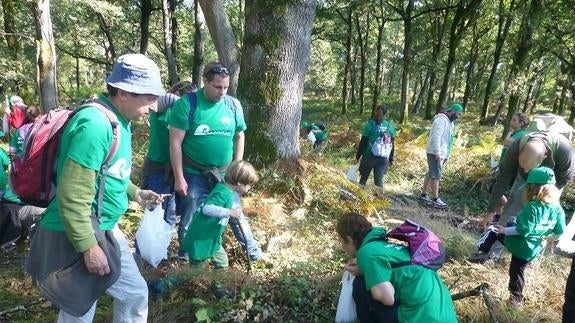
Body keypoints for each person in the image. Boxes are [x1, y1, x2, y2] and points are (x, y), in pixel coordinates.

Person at [25, 53, 165, 322]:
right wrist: (88, 247)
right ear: (124, 92)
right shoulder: (94, 125)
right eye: (149, 97)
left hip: (105, 228)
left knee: (134, 294)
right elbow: (72, 195)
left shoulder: (118, 122)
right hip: (79, 232)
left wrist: (134, 192)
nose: (154, 106)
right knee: (80, 308)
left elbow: (110, 173)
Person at [169, 61, 247, 262]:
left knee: (235, 212)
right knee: (191, 215)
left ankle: (251, 253)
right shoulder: (187, 104)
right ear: (205, 81)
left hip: (224, 175)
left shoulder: (232, 105)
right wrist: (179, 178)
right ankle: (187, 258)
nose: (222, 92)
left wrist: (236, 167)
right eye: (217, 87)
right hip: (194, 173)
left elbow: (239, 135)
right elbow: (175, 143)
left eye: (226, 87)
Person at [469, 130, 575, 263]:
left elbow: (565, 178)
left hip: (551, 182)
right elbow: (502, 180)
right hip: (524, 180)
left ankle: (529, 257)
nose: (525, 170)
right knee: (511, 208)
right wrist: (490, 211)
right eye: (522, 166)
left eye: (528, 169)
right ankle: (492, 255)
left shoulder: (565, 152)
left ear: (544, 156)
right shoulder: (516, 148)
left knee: (543, 218)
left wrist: (544, 195)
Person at [335, 212, 457, 322]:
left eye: (341, 241)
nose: (342, 246)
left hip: (417, 317)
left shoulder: (366, 253)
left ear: (349, 239)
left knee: (359, 284)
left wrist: (369, 278)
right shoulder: (383, 245)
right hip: (444, 314)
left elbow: (388, 298)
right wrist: (329, 280)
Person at [475, 167, 565, 307]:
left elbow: (523, 229)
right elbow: (559, 231)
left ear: (534, 188)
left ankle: (480, 254)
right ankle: (516, 299)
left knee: (493, 230)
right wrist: (546, 237)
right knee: (518, 271)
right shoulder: (557, 208)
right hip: (534, 247)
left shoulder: (533, 207)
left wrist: (504, 230)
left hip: (520, 244)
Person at [181, 160, 258, 268]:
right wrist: (229, 212)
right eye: (249, 184)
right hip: (202, 236)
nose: (249, 188)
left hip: (212, 237)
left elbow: (224, 203)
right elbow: (207, 209)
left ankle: (219, 285)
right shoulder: (222, 192)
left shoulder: (227, 191)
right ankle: (164, 284)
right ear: (240, 183)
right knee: (195, 271)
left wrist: (233, 208)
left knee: (222, 262)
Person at [419, 103, 463, 209]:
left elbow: (448, 140)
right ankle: (435, 199)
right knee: (436, 175)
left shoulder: (450, 122)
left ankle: (424, 195)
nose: (458, 117)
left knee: (431, 173)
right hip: (435, 152)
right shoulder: (441, 120)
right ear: (453, 111)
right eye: (458, 114)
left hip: (442, 152)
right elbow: (436, 136)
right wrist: (437, 152)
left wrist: (446, 154)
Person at [490, 112, 530, 223]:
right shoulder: (514, 133)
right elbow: (505, 142)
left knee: (495, 189)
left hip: (513, 170)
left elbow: (507, 143)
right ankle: (498, 215)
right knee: (495, 189)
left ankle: (508, 209)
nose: (511, 121)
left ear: (521, 123)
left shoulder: (521, 135)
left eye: (514, 120)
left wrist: (510, 132)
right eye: (512, 119)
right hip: (504, 166)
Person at [354, 104, 396, 191]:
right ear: (385, 114)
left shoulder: (369, 125)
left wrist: (358, 157)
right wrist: (391, 159)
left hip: (369, 156)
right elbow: (392, 144)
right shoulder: (389, 127)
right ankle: (380, 200)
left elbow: (363, 142)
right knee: (379, 182)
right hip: (383, 158)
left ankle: (360, 199)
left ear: (375, 112)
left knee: (363, 179)